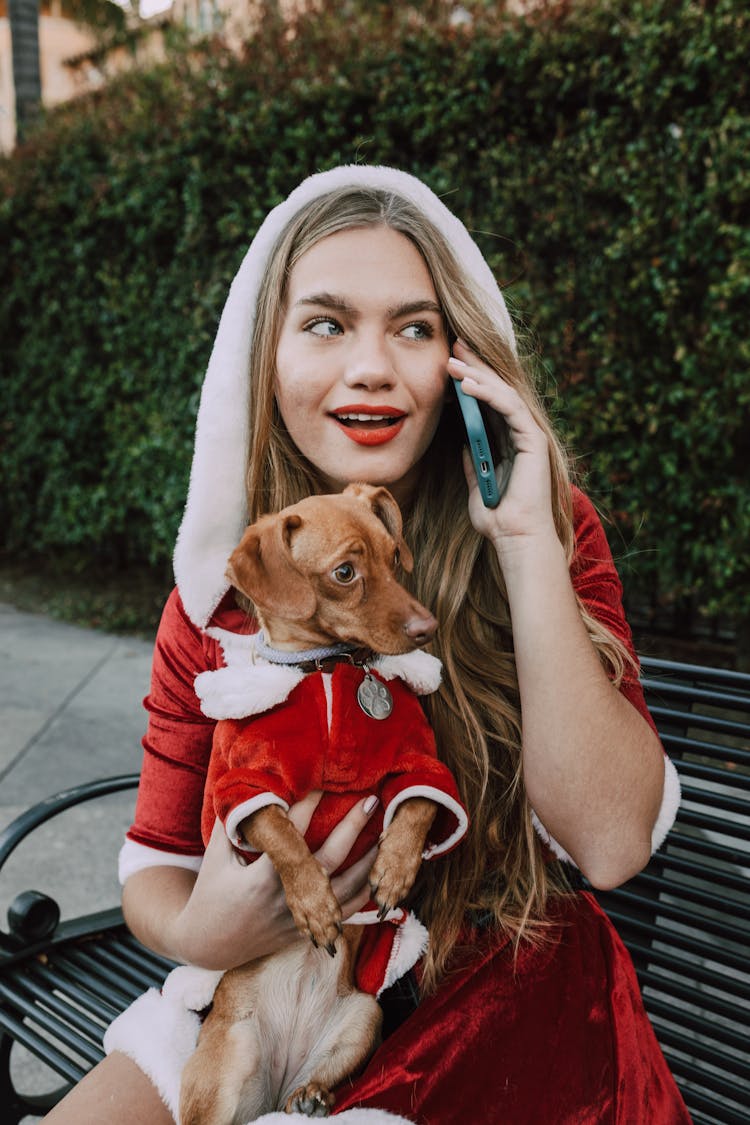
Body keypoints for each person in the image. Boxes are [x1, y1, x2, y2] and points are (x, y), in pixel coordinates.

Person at [45, 165, 688, 1124]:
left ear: (460, 359)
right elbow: (155, 865)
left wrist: (522, 542)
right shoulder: (225, 592)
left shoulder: (543, 527)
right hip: (266, 980)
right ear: (265, 355)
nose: (373, 366)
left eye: (416, 327)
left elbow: (610, 841)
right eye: (325, 323)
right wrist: (204, 925)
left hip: (499, 1003)